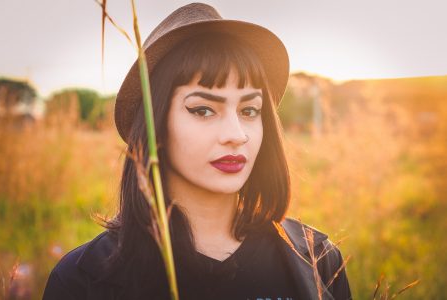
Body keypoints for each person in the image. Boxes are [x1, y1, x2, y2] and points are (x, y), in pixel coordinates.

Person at [43, 3, 351, 300]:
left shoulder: (317, 261)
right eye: (203, 110)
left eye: (249, 110)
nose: (236, 135)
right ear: (155, 123)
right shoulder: (83, 280)